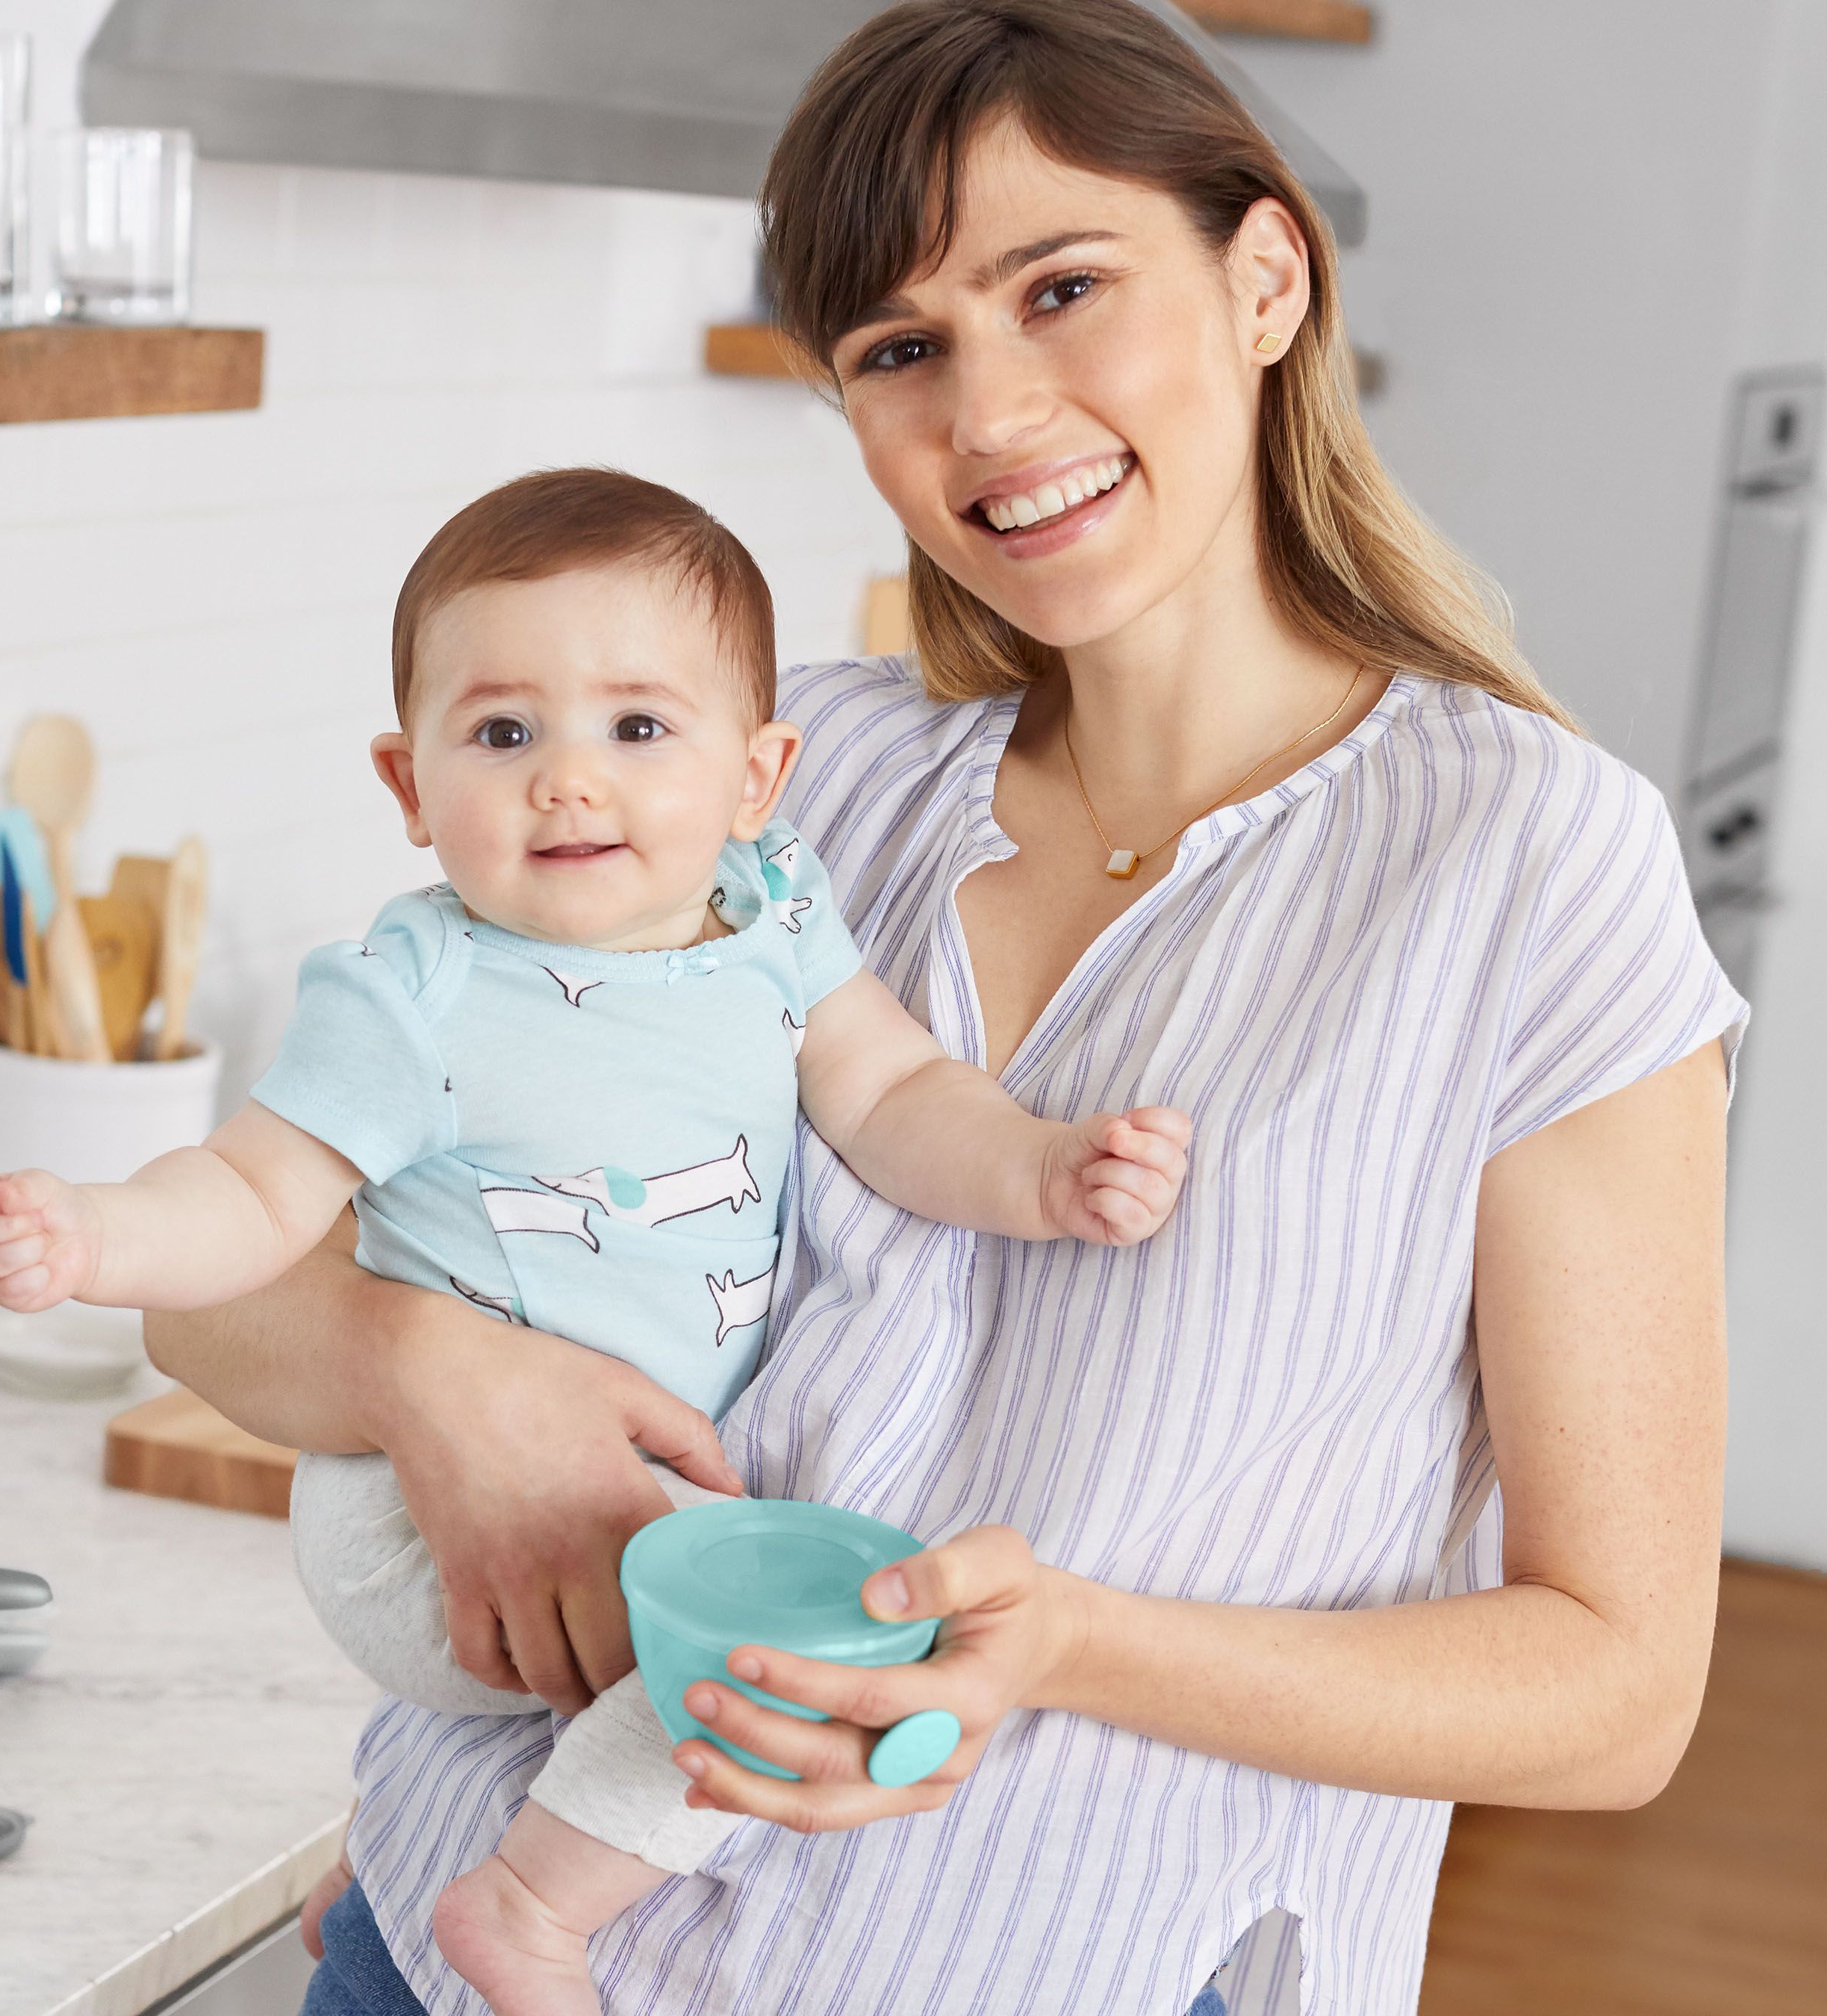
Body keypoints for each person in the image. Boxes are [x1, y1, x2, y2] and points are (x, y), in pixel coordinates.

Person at [145, 4, 1746, 2012]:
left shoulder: (1525, 865)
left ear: (1264, 279)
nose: (987, 414)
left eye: (1059, 289)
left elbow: (1611, 1690)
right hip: (460, 1933)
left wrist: (1074, 1640)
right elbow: (199, 1281)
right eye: (900, 349)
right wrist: (419, 1365)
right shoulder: (777, 778)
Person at [0, 465, 1186, 2015]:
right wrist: (97, 1231)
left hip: (623, 1491)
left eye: (639, 728)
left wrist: (1043, 1168)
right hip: (416, 1518)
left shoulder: (774, 914)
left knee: (747, 1635)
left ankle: (401, 1848)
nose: (569, 781)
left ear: (758, 775)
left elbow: (892, 1090)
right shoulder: (414, 988)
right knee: (758, 1669)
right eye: (504, 733)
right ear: (409, 784)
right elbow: (259, 1198)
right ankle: (526, 1908)